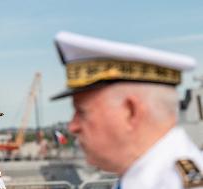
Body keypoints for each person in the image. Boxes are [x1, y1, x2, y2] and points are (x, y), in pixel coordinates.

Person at [51, 31, 203, 189]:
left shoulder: (173, 182)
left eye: (82, 112)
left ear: (131, 111)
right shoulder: (146, 179)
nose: (72, 126)